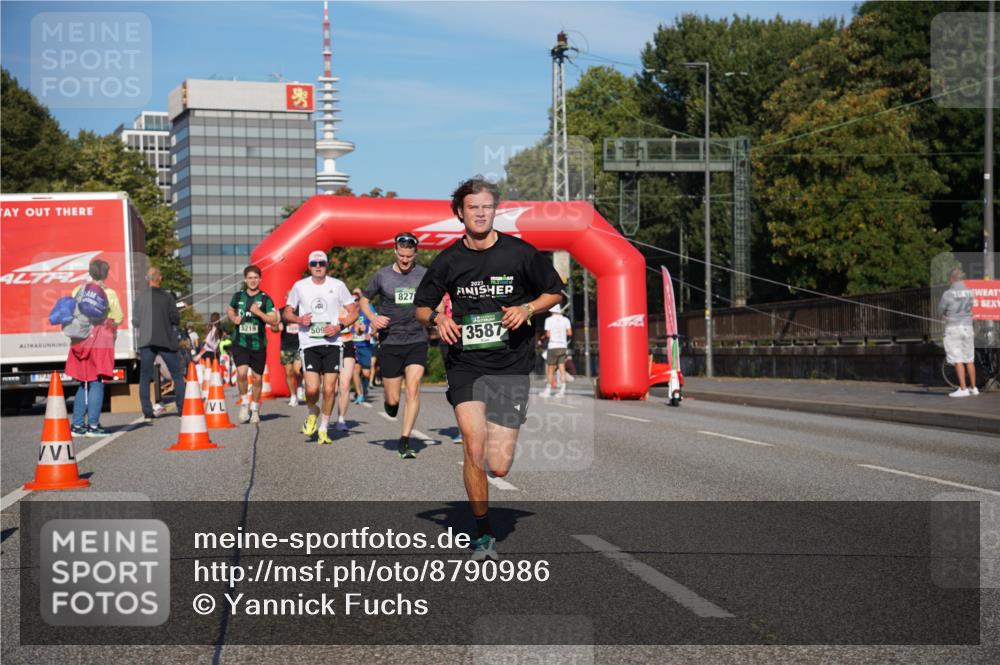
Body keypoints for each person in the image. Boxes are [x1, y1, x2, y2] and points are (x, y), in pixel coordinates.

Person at [415, 177, 563, 559]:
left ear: (494, 211)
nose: (480, 213)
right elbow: (421, 305)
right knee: (473, 444)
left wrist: (528, 308)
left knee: (499, 466)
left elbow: (554, 291)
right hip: (466, 363)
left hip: (510, 365)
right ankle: (483, 535)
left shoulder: (519, 253)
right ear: (460, 213)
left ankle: (490, 489)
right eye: (473, 208)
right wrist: (437, 318)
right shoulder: (449, 260)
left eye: (487, 207)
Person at [361, 232, 430, 459]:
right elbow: (364, 299)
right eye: (401, 256)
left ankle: (405, 440)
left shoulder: (424, 275)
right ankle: (390, 405)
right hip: (390, 340)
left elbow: (437, 298)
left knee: (414, 387)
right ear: (395, 252)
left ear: (415, 254)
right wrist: (372, 318)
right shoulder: (382, 276)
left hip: (417, 339)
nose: (405, 260)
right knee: (393, 399)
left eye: (409, 257)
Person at [284, 250, 358, 444]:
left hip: (333, 343)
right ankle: (312, 410)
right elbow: (287, 312)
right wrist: (299, 318)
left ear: (327, 265)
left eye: (322, 263)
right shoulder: (300, 286)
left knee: (329, 390)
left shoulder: (338, 285)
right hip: (309, 343)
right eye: (314, 263)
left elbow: (354, 312)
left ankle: (324, 427)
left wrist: (339, 326)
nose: (318, 266)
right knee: (311, 389)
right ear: (309, 266)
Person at [65, 259, 123, 437]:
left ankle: (77, 425)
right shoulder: (109, 294)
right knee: (97, 382)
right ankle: (93, 425)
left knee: (83, 381)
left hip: (80, 341)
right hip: (99, 343)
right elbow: (118, 317)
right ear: (106, 274)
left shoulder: (78, 290)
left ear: (90, 273)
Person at [227, 265, 279, 423]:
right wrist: (234, 318)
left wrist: (259, 313)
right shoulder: (238, 296)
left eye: (255, 278)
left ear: (260, 279)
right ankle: (244, 402)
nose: (252, 280)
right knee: (242, 373)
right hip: (240, 342)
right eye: (250, 278)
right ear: (245, 279)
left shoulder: (265, 298)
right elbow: (230, 309)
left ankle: (255, 408)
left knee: (257, 378)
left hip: (258, 344)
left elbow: (274, 319)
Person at [134, 266, 187, 422]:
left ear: (147, 279)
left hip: (147, 341)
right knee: (177, 375)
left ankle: (147, 412)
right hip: (166, 340)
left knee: (144, 377)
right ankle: (182, 409)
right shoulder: (168, 297)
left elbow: (135, 321)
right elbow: (175, 319)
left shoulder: (140, 298)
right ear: (160, 279)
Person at [939, 267, 977, 398]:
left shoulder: (948, 294)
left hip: (954, 328)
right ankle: (974, 387)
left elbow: (940, 310)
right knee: (969, 359)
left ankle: (963, 388)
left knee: (957, 359)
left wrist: (946, 315)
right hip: (968, 327)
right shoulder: (970, 292)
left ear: (952, 279)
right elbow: (971, 307)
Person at [540, 303, 573, 397]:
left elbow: (548, 334)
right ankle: (562, 390)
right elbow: (570, 333)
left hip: (553, 346)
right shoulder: (566, 320)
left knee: (550, 370)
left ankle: (548, 390)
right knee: (562, 368)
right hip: (563, 346)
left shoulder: (549, 320)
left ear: (551, 311)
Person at [279, 315, 303, 407]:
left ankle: (300, 384)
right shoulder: (282, 312)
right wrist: (277, 327)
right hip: (286, 347)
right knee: (289, 372)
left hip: (300, 345)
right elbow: (274, 327)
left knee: (298, 370)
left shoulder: (301, 309)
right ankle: (293, 396)